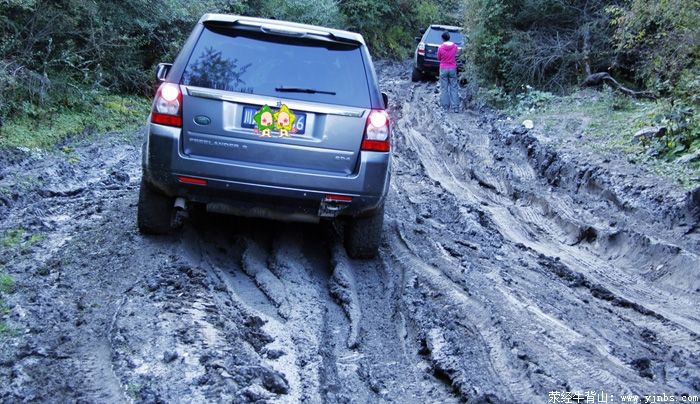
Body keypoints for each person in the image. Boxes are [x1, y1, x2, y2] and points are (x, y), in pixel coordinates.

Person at [437, 31, 460, 113]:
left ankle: (446, 107)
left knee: (444, 88)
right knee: (454, 87)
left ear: (443, 38)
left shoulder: (440, 48)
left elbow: (439, 58)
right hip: (452, 68)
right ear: (449, 37)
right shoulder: (455, 47)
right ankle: (455, 107)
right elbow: (456, 55)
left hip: (443, 68)